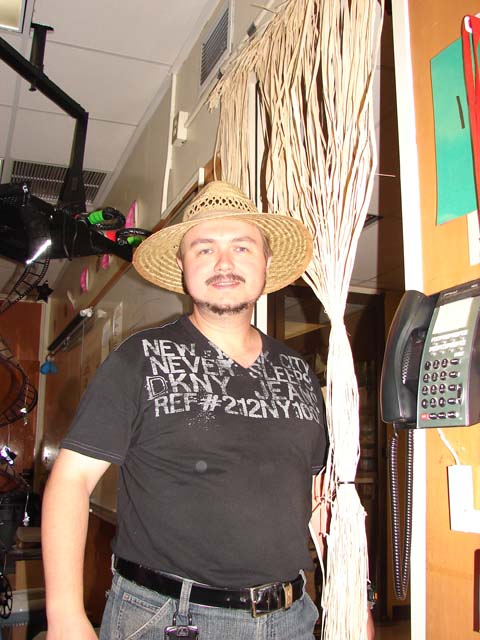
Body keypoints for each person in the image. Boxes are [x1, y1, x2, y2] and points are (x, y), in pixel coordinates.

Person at [41, 181, 337, 639]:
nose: (224, 263)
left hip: (292, 618)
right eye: (204, 249)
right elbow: (71, 479)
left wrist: (350, 594)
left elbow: (318, 500)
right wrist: (64, 616)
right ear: (182, 266)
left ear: (266, 261)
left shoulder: (299, 372)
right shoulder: (139, 359)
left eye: (242, 247)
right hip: (171, 620)